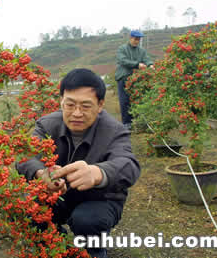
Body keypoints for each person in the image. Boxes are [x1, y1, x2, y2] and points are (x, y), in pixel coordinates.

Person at [16, 68, 141, 258]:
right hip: (57, 196)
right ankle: (58, 249)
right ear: (61, 102)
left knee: (88, 221)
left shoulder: (114, 131)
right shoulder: (47, 125)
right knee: (28, 210)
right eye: (70, 104)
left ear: (100, 105)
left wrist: (98, 173)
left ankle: (95, 251)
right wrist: (42, 174)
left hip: (100, 199)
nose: (76, 113)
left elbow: (129, 165)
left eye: (85, 106)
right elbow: (25, 157)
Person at [115, 30, 154, 130]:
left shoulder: (141, 51)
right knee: (125, 101)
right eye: (135, 39)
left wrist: (150, 64)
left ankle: (138, 122)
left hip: (136, 79)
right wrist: (137, 64)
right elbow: (122, 60)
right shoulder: (122, 49)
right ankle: (126, 124)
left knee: (139, 100)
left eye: (139, 39)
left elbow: (146, 58)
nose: (137, 41)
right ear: (130, 38)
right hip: (124, 77)